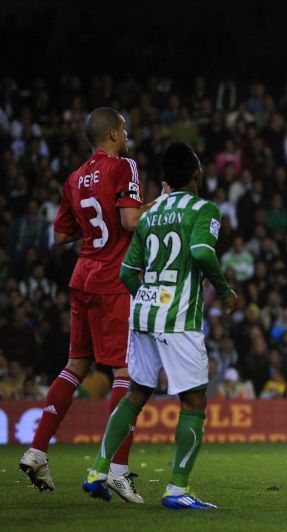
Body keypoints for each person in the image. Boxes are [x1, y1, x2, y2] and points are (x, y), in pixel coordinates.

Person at [82, 142, 239, 509]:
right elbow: (201, 252)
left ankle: (97, 471)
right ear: (196, 173)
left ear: (165, 178)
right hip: (179, 318)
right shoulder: (204, 209)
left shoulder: (149, 214)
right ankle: (177, 490)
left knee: (136, 394)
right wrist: (226, 292)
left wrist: (149, 295)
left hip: (144, 315)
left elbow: (126, 273)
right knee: (194, 400)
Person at [19, 108, 154, 501]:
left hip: (82, 277)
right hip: (113, 279)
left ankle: (37, 449)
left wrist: (93, 230)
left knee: (76, 365)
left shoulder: (74, 177)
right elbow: (130, 222)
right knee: (128, 373)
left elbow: (61, 234)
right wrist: (159, 203)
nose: (127, 134)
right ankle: (116, 469)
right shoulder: (123, 166)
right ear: (113, 133)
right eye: (124, 128)